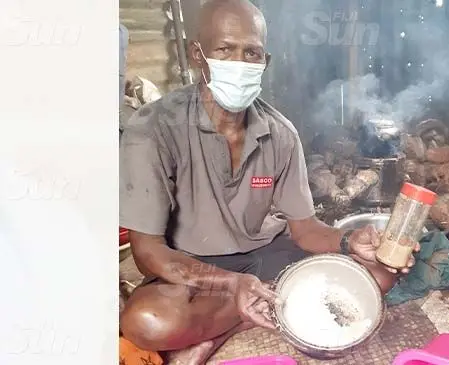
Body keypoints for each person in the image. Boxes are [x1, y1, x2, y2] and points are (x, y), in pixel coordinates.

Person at [118, 1, 418, 364]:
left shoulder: (281, 134)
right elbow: (148, 253)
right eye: (225, 50)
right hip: (195, 266)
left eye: (252, 53)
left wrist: (347, 240)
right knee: (146, 322)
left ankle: (225, 326)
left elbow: (305, 229)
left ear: (265, 62)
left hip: (267, 257)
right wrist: (230, 283)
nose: (240, 63)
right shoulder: (153, 130)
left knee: (380, 275)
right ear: (198, 54)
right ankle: (271, 306)